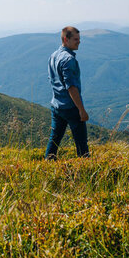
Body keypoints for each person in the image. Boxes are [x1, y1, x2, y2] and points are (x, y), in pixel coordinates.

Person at [45, 26, 90, 160]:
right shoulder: (68, 60)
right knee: (81, 142)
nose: (79, 42)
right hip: (71, 107)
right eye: (76, 39)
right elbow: (71, 87)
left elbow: (52, 79)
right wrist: (81, 110)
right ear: (66, 39)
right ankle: (85, 168)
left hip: (56, 105)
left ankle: (48, 163)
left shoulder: (53, 56)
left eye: (79, 39)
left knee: (54, 139)